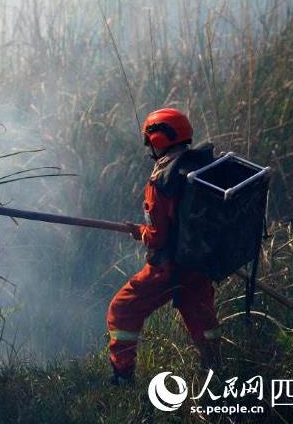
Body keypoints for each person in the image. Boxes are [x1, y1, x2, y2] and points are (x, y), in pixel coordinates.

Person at [107, 108, 221, 386]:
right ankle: (216, 371)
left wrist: (142, 233)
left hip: (169, 267)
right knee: (202, 318)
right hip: (198, 263)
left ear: (156, 140)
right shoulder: (202, 167)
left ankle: (123, 375)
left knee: (122, 310)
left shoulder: (162, 180)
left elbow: (157, 237)